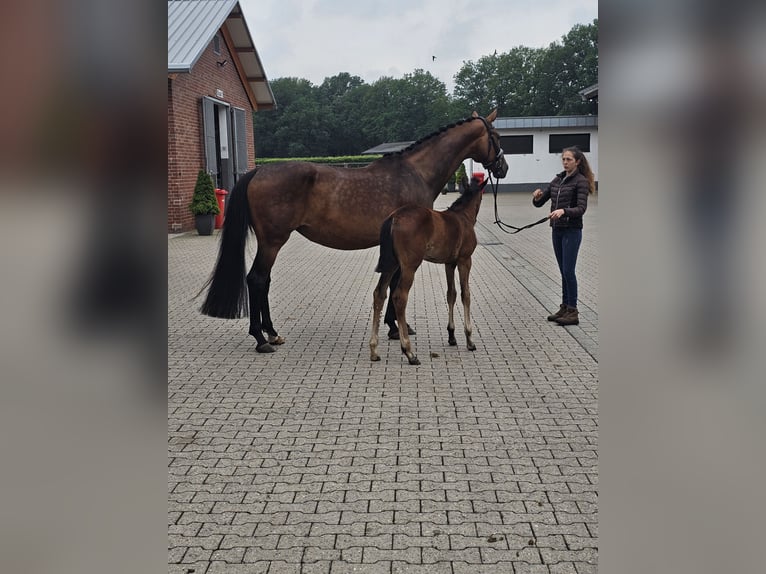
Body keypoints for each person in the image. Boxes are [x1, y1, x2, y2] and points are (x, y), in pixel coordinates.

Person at [532, 146, 595, 326]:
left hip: (572, 230)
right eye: (564, 159)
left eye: (569, 159)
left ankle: (573, 311)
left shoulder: (581, 181)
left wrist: (563, 211)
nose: (565, 162)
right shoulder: (558, 179)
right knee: (562, 271)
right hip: (557, 230)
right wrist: (536, 197)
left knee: (569, 271)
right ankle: (565, 307)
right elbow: (541, 201)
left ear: (577, 161)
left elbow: (581, 209)